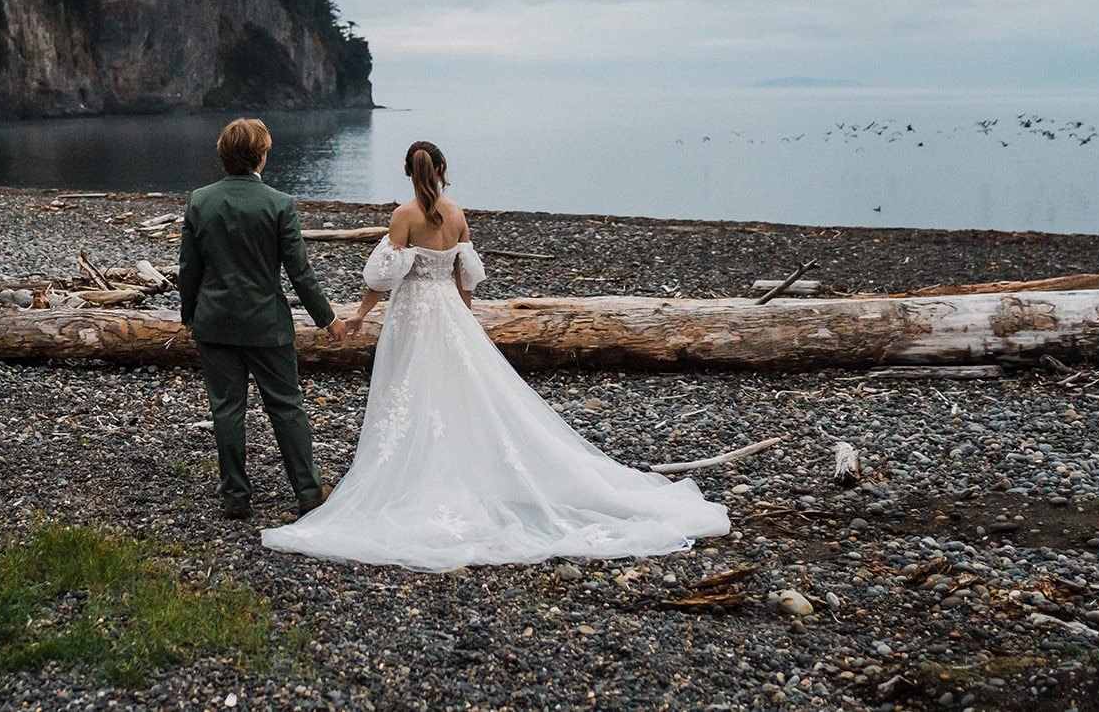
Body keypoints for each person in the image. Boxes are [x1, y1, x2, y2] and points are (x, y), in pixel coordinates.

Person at [261, 140, 730, 570]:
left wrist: (359, 316)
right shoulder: (458, 213)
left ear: (407, 171)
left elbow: (386, 278)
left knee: (410, 389)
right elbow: (464, 278)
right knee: (459, 389)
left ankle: (418, 473)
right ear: (443, 169)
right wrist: (467, 320)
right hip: (447, 310)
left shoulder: (403, 215)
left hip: (413, 316)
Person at [179, 117, 348, 520]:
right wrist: (328, 320)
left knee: (226, 410)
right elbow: (299, 272)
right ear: (262, 155)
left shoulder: (200, 201)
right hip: (266, 326)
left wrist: (190, 316)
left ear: (224, 155)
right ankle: (308, 491)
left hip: (215, 323)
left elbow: (189, 268)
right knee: (287, 407)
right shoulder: (279, 204)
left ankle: (236, 496)